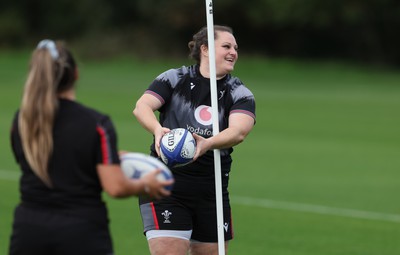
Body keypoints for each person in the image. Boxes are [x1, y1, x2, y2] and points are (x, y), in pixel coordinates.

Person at [9, 39, 173, 255]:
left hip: (28, 230)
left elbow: (54, 160)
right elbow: (115, 187)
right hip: (80, 231)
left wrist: (109, 158)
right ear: (76, 74)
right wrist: (146, 184)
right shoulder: (96, 124)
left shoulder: (23, 121)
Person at [133, 25, 256, 255]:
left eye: (236, 48)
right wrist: (158, 130)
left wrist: (207, 143)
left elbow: (239, 132)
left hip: (212, 191)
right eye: (227, 46)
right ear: (206, 49)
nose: (234, 53)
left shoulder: (239, 93)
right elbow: (142, 107)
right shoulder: (173, 78)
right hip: (164, 187)